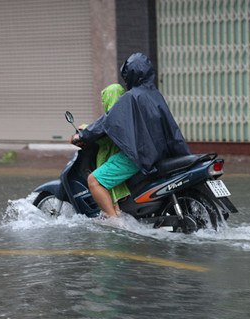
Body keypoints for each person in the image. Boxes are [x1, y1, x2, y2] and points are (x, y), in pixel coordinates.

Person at [72, 53, 191, 218]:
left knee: (94, 181)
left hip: (140, 156)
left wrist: (83, 135)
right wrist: (185, 157)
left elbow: (106, 122)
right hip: (160, 155)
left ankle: (114, 222)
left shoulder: (130, 98)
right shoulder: (155, 96)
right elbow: (173, 130)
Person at [79, 83, 131, 212]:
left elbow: (100, 132)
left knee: (95, 181)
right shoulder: (128, 115)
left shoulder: (113, 117)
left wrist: (85, 131)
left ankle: (113, 218)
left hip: (124, 158)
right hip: (135, 157)